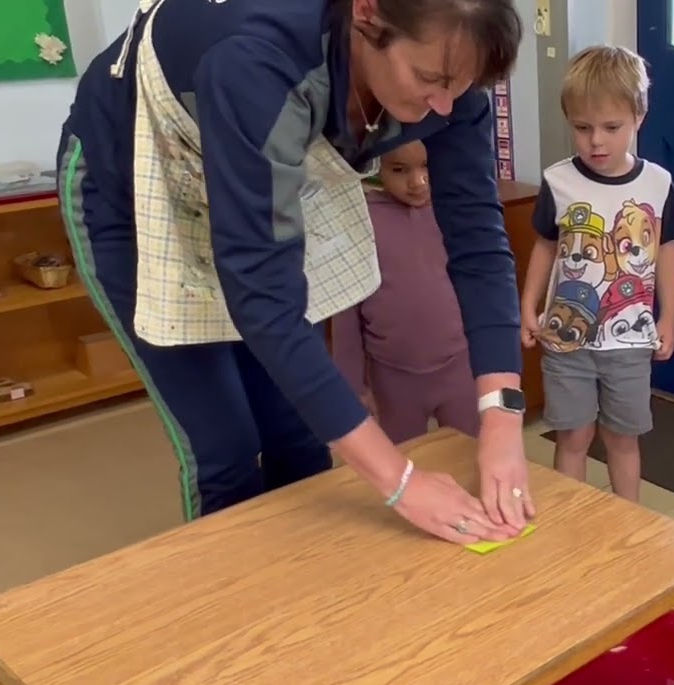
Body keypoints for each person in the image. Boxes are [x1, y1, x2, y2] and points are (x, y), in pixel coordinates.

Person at [55, 0, 536, 545]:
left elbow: (478, 244)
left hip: (256, 172)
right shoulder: (258, 60)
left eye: (461, 84)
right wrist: (402, 483)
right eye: (428, 79)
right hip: (137, 188)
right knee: (226, 448)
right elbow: (265, 301)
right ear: (366, 13)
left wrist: (501, 421)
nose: (443, 103)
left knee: (300, 432)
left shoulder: (451, 70)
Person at [519, 45, 674, 502]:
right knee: (572, 437)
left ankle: (625, 525)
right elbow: (546, 247)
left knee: (622, 439)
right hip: (566, 340)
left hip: (629, 343)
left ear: (639, 118)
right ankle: (573, 527)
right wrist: (527, 305)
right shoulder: (558, 182)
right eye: (582, 128)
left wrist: (668, 317)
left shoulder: (658, 184)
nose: (596, 142)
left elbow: (665, 251)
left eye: (612, 128)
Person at [331, 140, 480, 444]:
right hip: (392, 375)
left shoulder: (456, 211)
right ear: (376, 167)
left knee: (469, 452)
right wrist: (353, 386)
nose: (417, 182)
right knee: (404, 462)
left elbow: (482, 287)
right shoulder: (361, 221)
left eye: (427, 166)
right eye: (399, 169)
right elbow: (346, 314)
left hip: (459, 365)